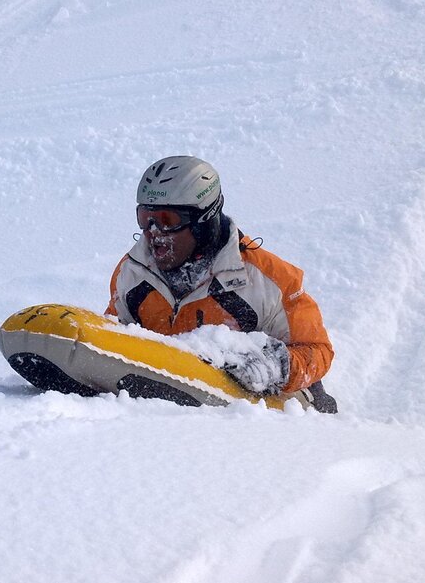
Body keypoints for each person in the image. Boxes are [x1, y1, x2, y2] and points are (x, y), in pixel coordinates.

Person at [106, 155, 337, 412]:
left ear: (204, 219)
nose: (154, 234)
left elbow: (318, 350)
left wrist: (278, 365)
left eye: (167, 220)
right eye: (145, 218)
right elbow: (110, 341)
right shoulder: (132, 273)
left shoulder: (269, 280)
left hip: (251, 414)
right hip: (166, 406)